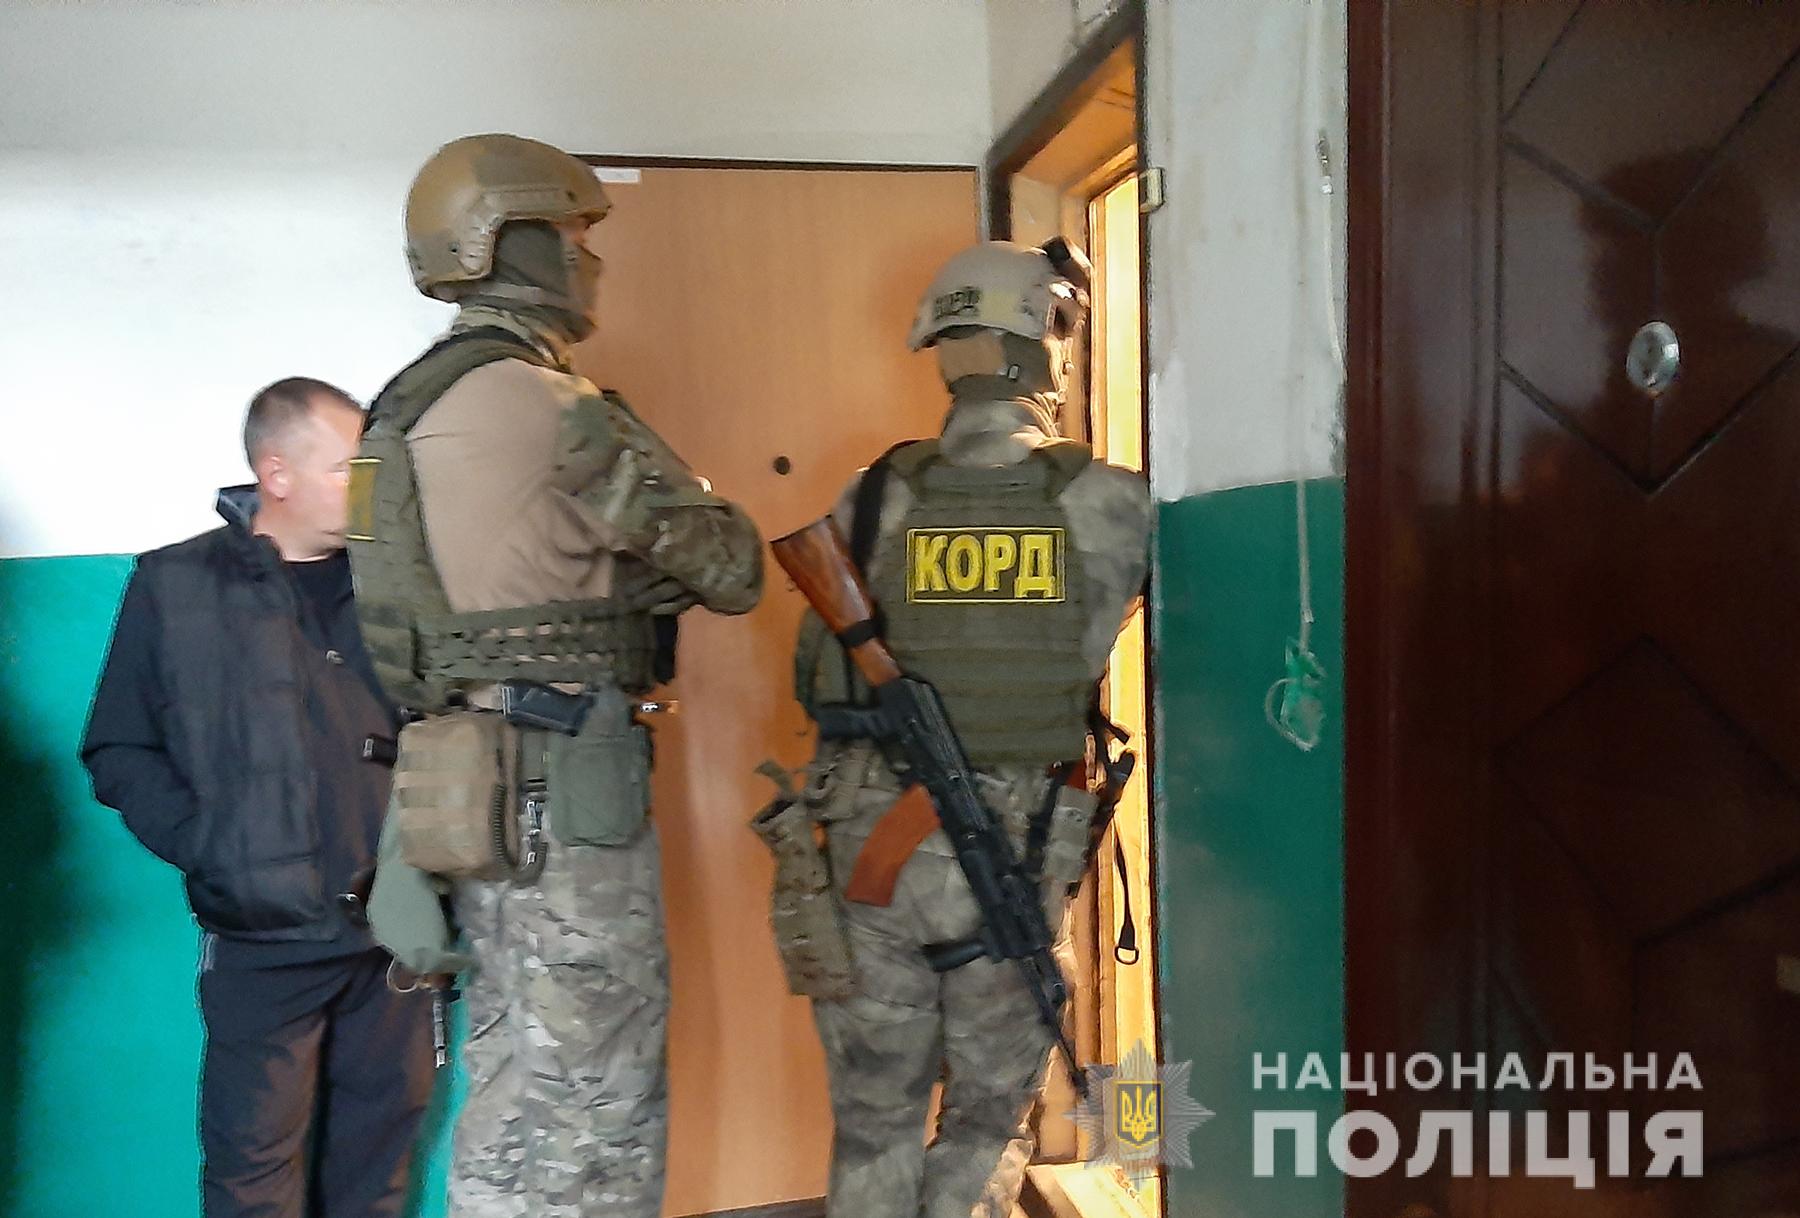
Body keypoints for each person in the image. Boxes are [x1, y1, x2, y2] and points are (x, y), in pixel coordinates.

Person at [348, 133, 763, 1218]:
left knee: (508, 1079)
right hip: (566, 784)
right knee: (600, 1096)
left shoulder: (408, 404)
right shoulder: (552, 405)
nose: (591, 257)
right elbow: (733, 569)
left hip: (468, 782)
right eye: (576, 232)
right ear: (513, 239)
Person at [784, 240, 1152, 1218]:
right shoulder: (1112, 502)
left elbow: (813, 675)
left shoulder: (870, 496)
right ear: (1046, 342)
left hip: (872, 856)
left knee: (874, 1125)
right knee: (986, 1126)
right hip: (1011, 857)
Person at [80, 377, 434, 1218]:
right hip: (263, 941)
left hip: (396, 936)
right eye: (348, 468)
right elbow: (118, 748)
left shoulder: (398, 583)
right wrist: (213, 845)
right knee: (253, 1173)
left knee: (377, 1168)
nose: (368, 486)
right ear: (277, 474)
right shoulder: (177, 585)